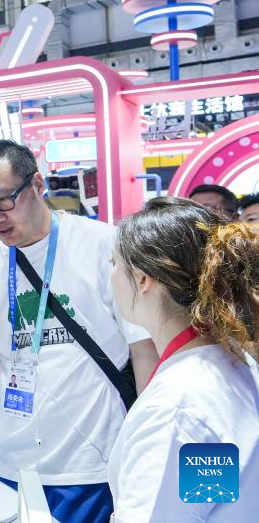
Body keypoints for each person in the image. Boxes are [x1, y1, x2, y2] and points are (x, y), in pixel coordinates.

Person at [0, 139, 158, 522]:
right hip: (8, 455)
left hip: (89, 459)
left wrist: (145, 441)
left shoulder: (105, 244)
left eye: (4, 201)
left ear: (37, 184)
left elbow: (143, 348)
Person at [108, 198, 259, 521]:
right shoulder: (230, 361)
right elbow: (211, 496)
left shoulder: (175, 407)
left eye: (114, 264)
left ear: (143, 279)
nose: (110, 276)